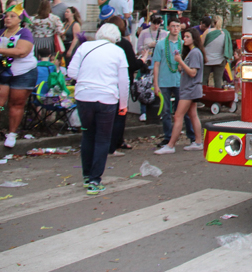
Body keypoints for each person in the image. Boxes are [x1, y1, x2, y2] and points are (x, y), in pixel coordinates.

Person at [67, 23, 128, 196]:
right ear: (116, 38)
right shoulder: (118, 52)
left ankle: (86, 175)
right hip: (107, 99)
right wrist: (123, 105)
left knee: (87, 134)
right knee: (102, 138)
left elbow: (71, 72)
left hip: (84, 97)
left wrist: (87, 80)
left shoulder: (85, 47)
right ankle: (95, 179)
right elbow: (123, 81)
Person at [0, 3, 39, 147]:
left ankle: (12, 134)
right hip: (3, 72)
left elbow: (21, 51)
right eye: (6, 16)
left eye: (12, 16)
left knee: (16, 103)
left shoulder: (24, 33)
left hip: (23, 73)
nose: (8, 18)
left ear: (20, 20)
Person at [102, 15, 147, 156]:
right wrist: (142, 60)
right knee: (120, 114)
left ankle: (116, 141)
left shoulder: (102, 44)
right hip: (121, 83)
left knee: (110, 114)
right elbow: (131, 65)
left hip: (106, 82)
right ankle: (114, 144)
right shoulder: (124, 44)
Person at [154, 28, 204, 154]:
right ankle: (198, 141)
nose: (184, 39)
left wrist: (180, 61)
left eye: (187, 36)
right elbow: (189, 71)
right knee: (192, 114)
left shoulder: (195, 52)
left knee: (178, 115)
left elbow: (193, 72)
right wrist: (181, 66)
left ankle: (171, 145)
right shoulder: (192, 52)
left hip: (190, 89)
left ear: (194, 38)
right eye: (184, 36)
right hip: (191, 87)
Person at [201, 15, 232, 89]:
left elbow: (201, 45)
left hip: (207, 59)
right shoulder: (225, 33)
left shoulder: (208, 32)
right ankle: (217, 98)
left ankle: (202, 97)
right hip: (220, 60)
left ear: (213, 23)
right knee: (218, 80)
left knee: (204, 80)